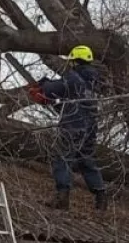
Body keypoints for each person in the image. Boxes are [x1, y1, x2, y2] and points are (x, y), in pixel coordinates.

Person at [28, 44, 107, 212]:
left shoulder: (74, 78)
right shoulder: (93, 82)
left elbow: (54, 88)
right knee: (86, 158)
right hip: (90, 127)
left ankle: (62, 197)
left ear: (74, 62)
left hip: (74, 125)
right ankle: (101, 196)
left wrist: (42, 86)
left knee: (62, 157)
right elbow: (71, 100)